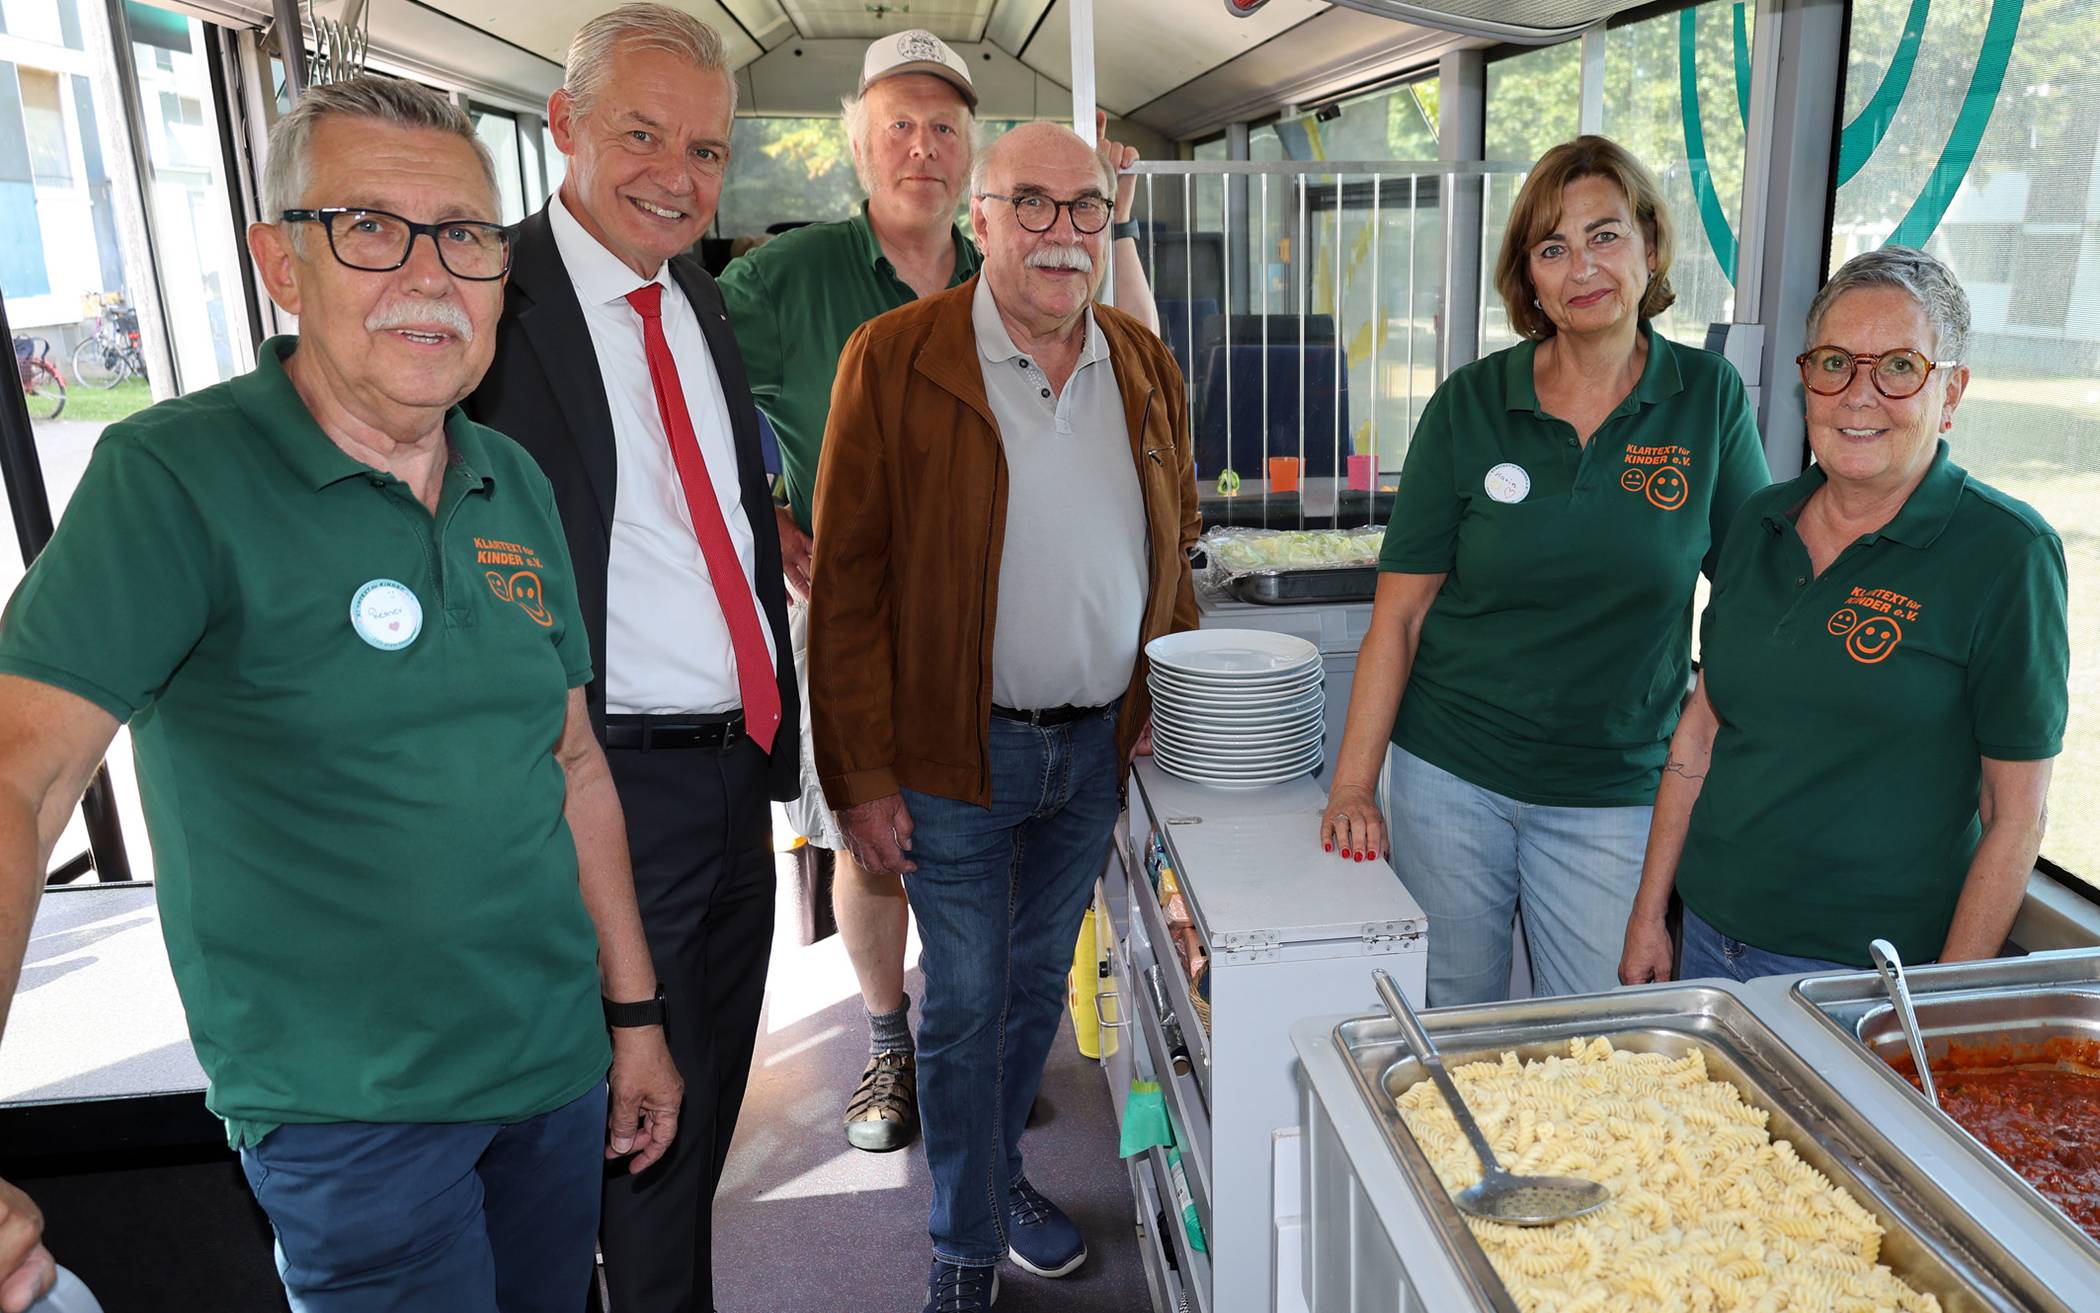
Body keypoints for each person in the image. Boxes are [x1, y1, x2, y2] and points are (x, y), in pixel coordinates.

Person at [0, 77, 680, 1313]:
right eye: (371, 224)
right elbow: (20, 777)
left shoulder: (510, 477)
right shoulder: (175, 477)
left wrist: (633, 1015)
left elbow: (571, 758)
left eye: (467, 235)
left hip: (550, 1068)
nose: (430, 274)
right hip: (348, 1111)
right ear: (279, 261)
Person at [716, 26, 1158, 1156]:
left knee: (1002, 920)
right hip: (859, 614)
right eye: (899, 126)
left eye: (945, 128)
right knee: (874, 846)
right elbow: (689, 395)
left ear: (975, 175)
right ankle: (888, 1035)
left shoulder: (1015, 262)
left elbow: (1137, 399)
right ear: (857, 145)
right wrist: (760, 512)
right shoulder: (782, 277)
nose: (922, 146)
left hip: (996, 641)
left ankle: (976, 1080)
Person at [808, 121, 1199, 1313]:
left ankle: (1002, 1173)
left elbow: (1170, 535)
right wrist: (860, 773)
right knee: (969, 996)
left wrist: (1154, 692)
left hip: (1090, 750)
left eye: (1086, 210)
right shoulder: (894, 357)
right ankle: (963, 1240)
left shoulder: (1139, 358)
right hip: (951, 749)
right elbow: (849, 588)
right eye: (1030, 204)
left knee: (1033, 989)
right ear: (977, 219)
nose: (1061, 233)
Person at [463, 7, 796, 1310]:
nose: (679, 175)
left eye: (707, 151)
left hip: (731, 777)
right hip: (603, 783)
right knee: (639, 1138)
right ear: (561, 127)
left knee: (692, 1121)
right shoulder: (489, 303)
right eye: (642, 136)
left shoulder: (693, 290)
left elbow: (716, 522)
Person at [1319, 135, 1770, 1007]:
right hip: (1449, 773)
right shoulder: (1470, 403)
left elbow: (1754, 597)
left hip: (1614, 790)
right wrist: (1352, 785)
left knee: (1601, 1041)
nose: (1582, 268)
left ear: (1649, 244)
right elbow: (1401, 616)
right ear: (1528, 276)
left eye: (1604, 236)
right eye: (1552, 248)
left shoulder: (1707, 400)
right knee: (1450, 1018)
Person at [1620, 247, 2067, 983]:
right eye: (1834, 363)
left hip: (1862, 976)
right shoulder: (1761, 519)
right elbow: (1698, 735)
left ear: (1950, 393)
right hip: (1705, 936)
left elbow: (2016, 815)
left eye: (1898, 367)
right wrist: (1647, 914)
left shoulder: (2008, 555)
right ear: (1807, 383)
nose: (1859, 395)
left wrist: (1943, 1006)